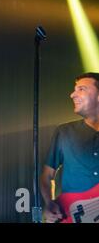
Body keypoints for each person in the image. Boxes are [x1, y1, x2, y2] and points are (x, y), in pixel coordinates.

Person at [41, 72, 99, 223]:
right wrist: (49, 203)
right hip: (70, 214)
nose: (72, 94)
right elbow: (47, 175)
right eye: (75, 89)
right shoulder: (64, 132)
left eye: (82, 89)